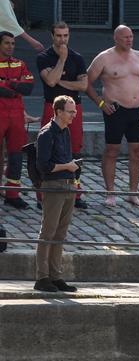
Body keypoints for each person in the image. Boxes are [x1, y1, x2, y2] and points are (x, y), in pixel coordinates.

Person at [86, 25, 139, 206]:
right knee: (112, 150)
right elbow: (86, 82)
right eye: (125, 37)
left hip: (137, 111)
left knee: (137, 151)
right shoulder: (104, 58)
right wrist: (101, 103)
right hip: (115, 110)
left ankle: (132, 192)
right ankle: (110, 192)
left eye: (131, 37)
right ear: (116, 38)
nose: (129, 40)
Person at [36, 23, 88, 209]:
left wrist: (60, 81)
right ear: (52, 36)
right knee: (48, 149)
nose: (62, 39)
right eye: (58, 35)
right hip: (52, 106)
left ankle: (74, 193)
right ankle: (43, 195)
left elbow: (83, 86)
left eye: (65, 35)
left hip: (74, 108)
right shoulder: (44, 57)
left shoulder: (78, 58)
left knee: (74, 150)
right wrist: (62, 60)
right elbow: (50, 81)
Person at [33, 95, 79, 294]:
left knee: (60, 233)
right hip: (53, 186)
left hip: (68, 185)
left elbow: (66, 157)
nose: (74, 115)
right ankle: (42, 277)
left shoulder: (65, 131)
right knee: (48, 232)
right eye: (70, 111)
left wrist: (74, 174)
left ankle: (56, 276)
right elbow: (43, 166)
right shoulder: (46, 134)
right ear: (59, 111)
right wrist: (66, 166)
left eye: (74, 111)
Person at [0, 30, 33, 209]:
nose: (11, 47)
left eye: (13, 44)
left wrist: (7, 83)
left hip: (17, 115)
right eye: (7, 43)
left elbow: (29, 88)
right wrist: (16, 85)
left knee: (16, 156)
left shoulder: (20, 63)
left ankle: (13, 194)